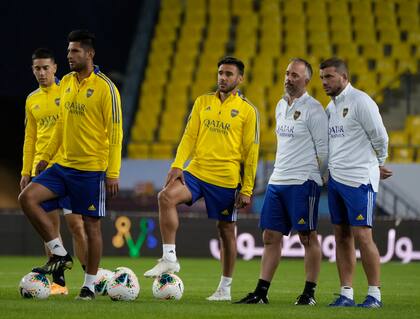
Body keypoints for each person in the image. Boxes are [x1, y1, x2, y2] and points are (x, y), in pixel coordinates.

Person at [144, 56, 260, 301]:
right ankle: (169, 258)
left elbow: (251, 153)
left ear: (240, 79)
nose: (222, 77)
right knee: (165, 197)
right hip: (196, 172)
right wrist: (177, 165)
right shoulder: (202, 102)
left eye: (229, 74)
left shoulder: (248, 111)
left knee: (226, 231)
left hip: (226, 179)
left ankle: (224, 289)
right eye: (220, 72)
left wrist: (247, 187)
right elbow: (189, 136)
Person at [18, 30, 123, 300]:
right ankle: (60, 252)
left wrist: (112, 173)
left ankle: (88, 285)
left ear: (89, 54)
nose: (69, 56)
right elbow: (62, 124)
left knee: (90, 226)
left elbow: (115, 134)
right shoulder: (65, 81)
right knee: (27, 198)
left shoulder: (106, 88)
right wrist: (44, 157)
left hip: (90, 170)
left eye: (74, 51)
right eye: (67, 51)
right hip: (62, 166)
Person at [235, 58, 328, 305]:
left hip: (303, 181)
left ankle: (309, 294)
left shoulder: (315, 109)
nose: (288, 78)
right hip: (278, 181)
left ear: (306, 80)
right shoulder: (279, 105)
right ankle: (261, 293)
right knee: (269, 236)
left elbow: (324, 151)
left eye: (295, 75)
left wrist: (318, 178)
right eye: (287, 73)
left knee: (307, 237)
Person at [319, 58, 392, 308]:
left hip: (360, 180)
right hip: (337, 181)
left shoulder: (361, 101)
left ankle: (374, 295)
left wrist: (376, 163)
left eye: (329, 77)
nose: (324, 83)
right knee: (341, 236)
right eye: (321, 78)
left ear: (344, 77)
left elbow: (380, 137)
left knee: (363, 236)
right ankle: (346, 293)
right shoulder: (330, 108)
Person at [20, 48, 88, 295]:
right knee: (50, 229)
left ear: (55, 68)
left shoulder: (68, 91)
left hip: (68, 167)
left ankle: (89, 278)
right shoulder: (32, 99)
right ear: (33, 70)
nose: (41, 73)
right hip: (42, 169)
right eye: (37, 68)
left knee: (77, 226)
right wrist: (25, 170)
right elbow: (30, 138)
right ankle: (59, 283)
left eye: (45, 68)